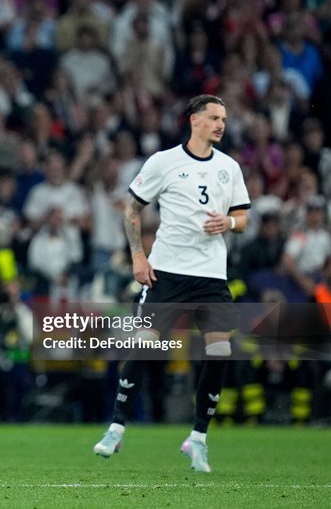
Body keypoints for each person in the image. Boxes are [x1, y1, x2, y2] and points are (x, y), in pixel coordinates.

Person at [93, 94, 250, 472]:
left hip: (211, 276)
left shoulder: (229, 167)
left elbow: (242, 218)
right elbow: (132, 208)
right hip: (167, 273)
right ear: (194, 120)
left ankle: (198, 438)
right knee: (144, 346)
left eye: (224, 119)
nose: (221, 124)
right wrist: (137, 255)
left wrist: (228, 222)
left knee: (220, 353)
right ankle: (116, 428)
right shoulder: (164, 162)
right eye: (214, 117)